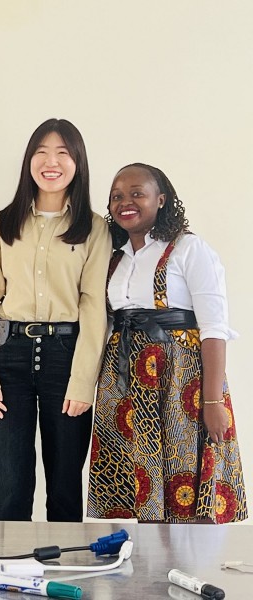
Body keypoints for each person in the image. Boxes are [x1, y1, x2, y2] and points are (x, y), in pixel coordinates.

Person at [0, 119, 112, 522]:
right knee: (10, 488)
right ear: (29, 160)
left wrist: (83, 380)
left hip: (66, 358)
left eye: (63, 153)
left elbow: (93, 308)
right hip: (7, 357)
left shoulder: (94, 229)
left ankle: (61, 573)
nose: (51, 162)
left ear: (78, 163)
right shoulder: (4, 223)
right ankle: (11, 575)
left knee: (65, 485)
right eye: (42, 152)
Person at [88, 163, 247, 523]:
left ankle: (186, 573)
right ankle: (147, 573)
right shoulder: (114, 257)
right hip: (126, 381)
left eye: (136, 193)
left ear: (161, 200)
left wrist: (212, 400)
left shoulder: (189, 249)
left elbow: (213, 329)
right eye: (116, 196)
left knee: (184, 482)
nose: (125, 202)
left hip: (180, 383)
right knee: (140, 492)